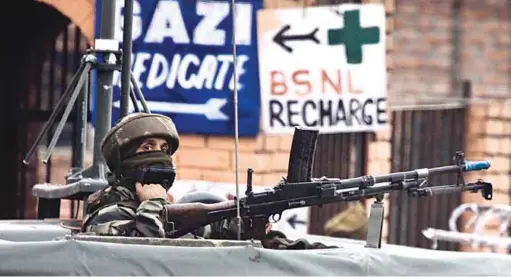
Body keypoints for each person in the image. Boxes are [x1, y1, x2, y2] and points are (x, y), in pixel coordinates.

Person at [81, 112, 336, 249]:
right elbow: (140, 256)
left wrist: (247, 222)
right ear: (124, 160)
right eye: (147, 148)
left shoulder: (176, 213)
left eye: (164, 148)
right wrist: (153, 205)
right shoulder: (107, 216)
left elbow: (221, 235)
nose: (159, 155)